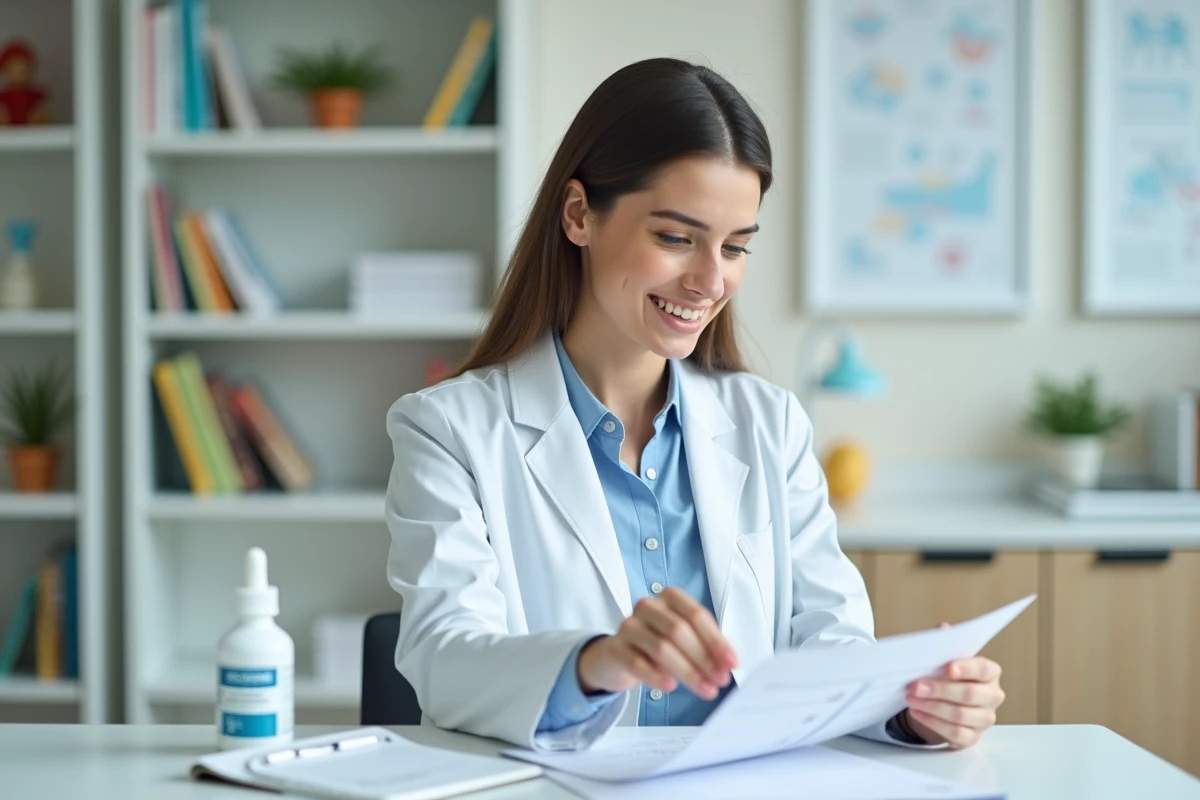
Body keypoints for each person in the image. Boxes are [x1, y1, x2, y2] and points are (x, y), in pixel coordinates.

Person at [384, 58, 1005, 751]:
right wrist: (594, 664)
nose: (711, 280)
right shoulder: (448, 430)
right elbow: (445, 658)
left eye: (735, 247)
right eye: (676, 238)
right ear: (579, 214)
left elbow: (830, 637)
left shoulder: (769, 425)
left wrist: (911, 706)